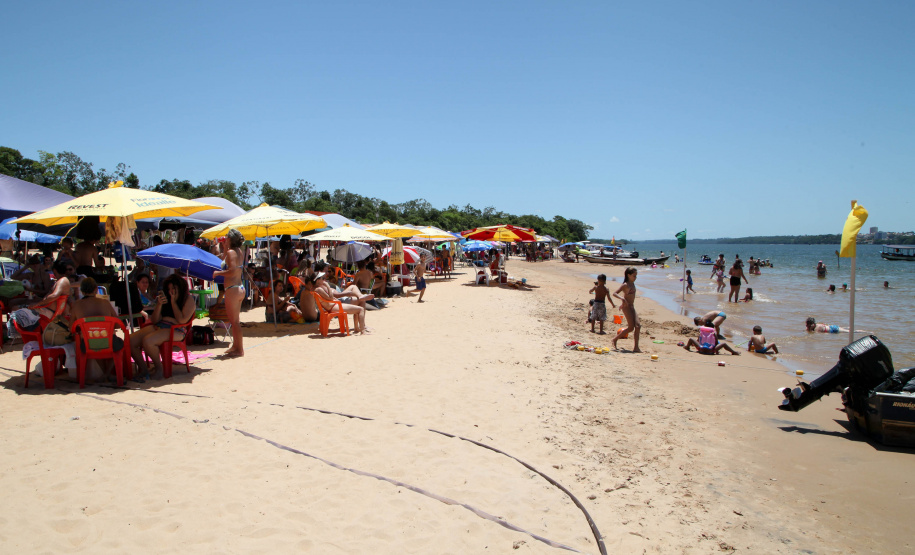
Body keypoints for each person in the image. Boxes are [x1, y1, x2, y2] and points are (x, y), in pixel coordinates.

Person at [129, 274, 196, 380]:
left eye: (174, 288)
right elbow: (155, 320)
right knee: (130, 341)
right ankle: (144, 369)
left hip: (177, 329)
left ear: (180, 287)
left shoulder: (188, 299)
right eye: (169, 288)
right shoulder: (166, 298)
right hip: (161, 325)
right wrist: (159, 305)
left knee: (148, 341)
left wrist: (173, 302)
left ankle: (159, 368)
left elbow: (181, 320)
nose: (171, 291)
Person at [69, 277, 123, 381]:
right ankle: (107, 373)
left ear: (82, 290)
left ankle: (105, 374)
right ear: (95, 289)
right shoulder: (105, 303)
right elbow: (117, 325)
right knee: (119, 344)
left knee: (94, 341)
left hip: (88, 344)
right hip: (109, 343)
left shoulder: (77, 305)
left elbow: (72, 327)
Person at [212, 228, 246, 357]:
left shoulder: (232, 252)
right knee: (235, 321)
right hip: (239, 287)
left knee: (234, 322)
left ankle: (239, 349)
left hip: (232, 289)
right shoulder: (238, 251)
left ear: (231, 239)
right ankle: (236, 346)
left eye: (226, 237)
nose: (224, 239)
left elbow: (232, 271)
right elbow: (228, 262)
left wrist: (218, 273)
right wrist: (225, 246)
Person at [611, 267, 641, 352]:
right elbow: (614, 293)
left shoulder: (632, 283)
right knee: (631, 328)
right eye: (634, 276)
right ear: (629, 275)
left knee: (638, 326)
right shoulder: (625, 285)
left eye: (636, 276)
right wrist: (622, 299)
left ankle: (636, 347)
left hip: (632, 306)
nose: (636, 278)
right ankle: (615, 339)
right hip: (626, 307)